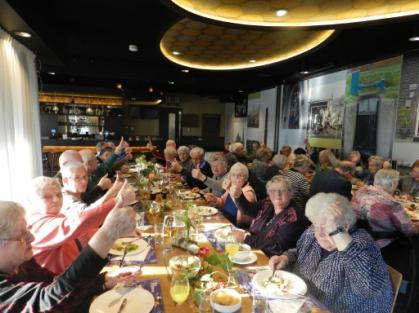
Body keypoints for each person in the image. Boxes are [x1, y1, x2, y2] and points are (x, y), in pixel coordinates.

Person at [0, 201, 139, 312]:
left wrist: (104, 282)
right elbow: (50, 302)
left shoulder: (23, 264)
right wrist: (108, 234)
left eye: (28, 231)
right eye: (22, 236)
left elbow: (56, 285)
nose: (32, 237)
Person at [269, 193, 393, 313]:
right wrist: (286, 257)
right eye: (316, 225)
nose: (319, 233)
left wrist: (337, 233)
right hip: (300, 304)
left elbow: (371, 286)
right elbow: (300, 251)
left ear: (344, 226)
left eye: (326, 226)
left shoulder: (363, 246)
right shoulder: (313, 234)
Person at [26, 176, 135, 275]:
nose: (56, 200)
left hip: (79, 274)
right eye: (47, 197)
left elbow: (84, 234)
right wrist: (118, 201)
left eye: (59, 195)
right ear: (31, 202)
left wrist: (119, 232)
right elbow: (81, 222)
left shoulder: (57, 215)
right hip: (61, 285)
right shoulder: (36, 224)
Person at [232, 175, 307, 257]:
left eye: (282, 190)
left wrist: (246, 239)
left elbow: (277, 245)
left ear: (290, 193)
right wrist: (239, 195)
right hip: (254, 251)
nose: (278, 194)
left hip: (271, 260)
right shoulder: (268, 204)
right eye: (273, 190)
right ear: (269, 193)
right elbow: (249, 209)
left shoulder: (294, 216)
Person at [351, 169, 417, 249]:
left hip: (358, 239)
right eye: (397, 183)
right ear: (393, 184)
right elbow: (409, 231)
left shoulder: (359, 193)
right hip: (383, 245)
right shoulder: (391, 203)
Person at [205, 162, 256, 227]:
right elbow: (223, 202)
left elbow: (244, 210)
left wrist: (229, 190)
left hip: (235, 225)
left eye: (239, 175)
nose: (236, 178)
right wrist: (215, 199)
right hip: (223, 219)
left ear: (246, 178)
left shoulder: (248, 191)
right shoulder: (232, 187)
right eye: (233, 175)